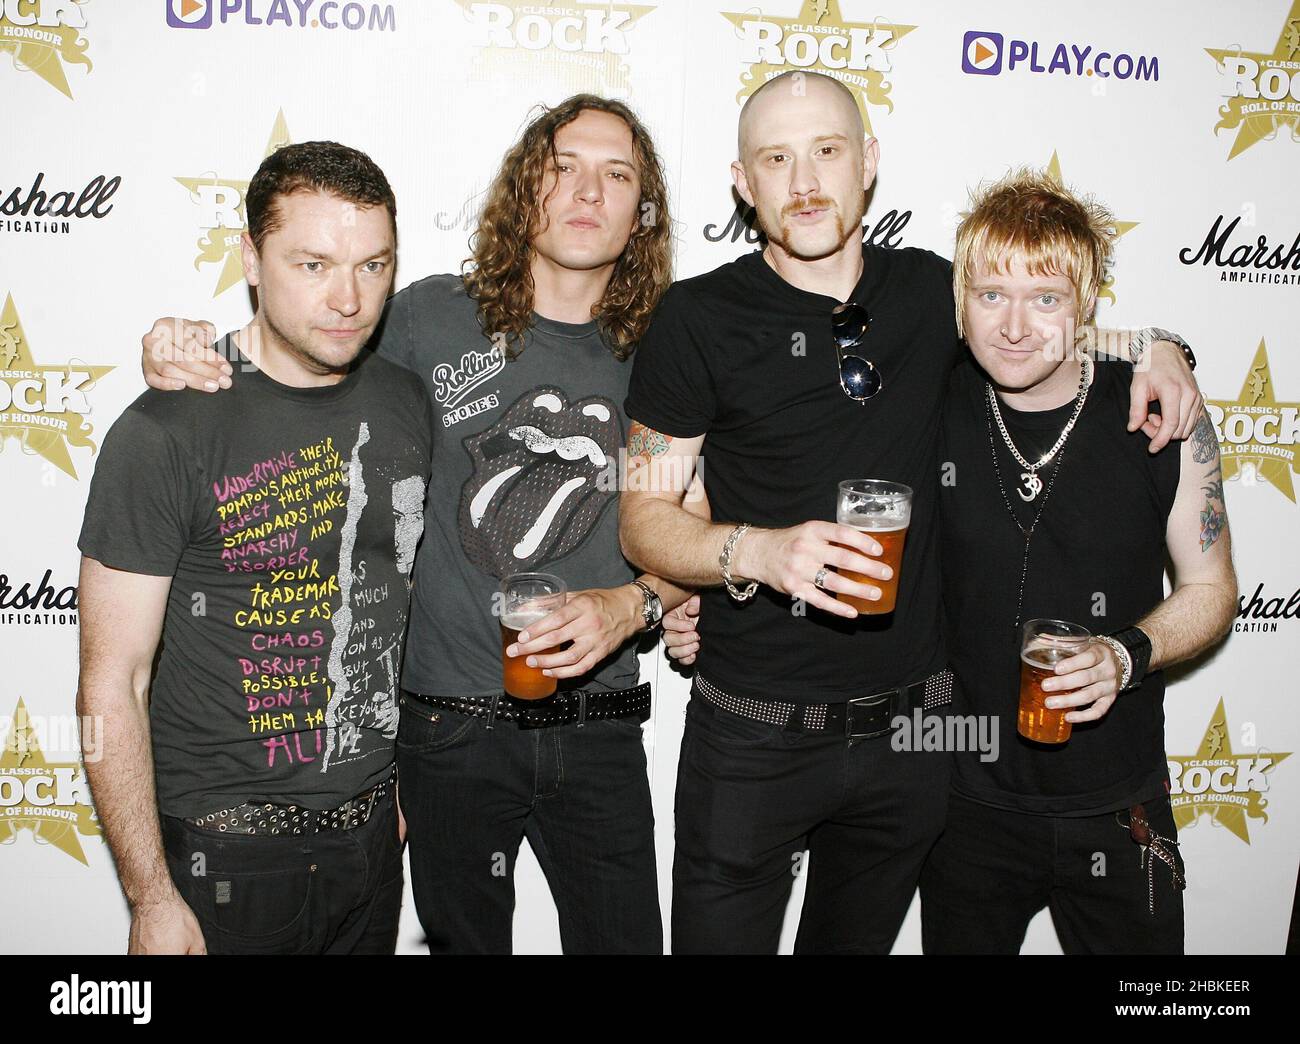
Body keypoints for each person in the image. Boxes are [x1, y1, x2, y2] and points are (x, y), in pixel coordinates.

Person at [618, 70, 1202, 954]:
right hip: (753, 738)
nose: (805, 180)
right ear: (743, 182)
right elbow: (641, 518)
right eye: (776, 158)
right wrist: (756, 553)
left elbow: (1047, 324)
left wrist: (1163, 345)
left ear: (870, 166)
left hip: (915, 740)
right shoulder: (692, 318)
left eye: (827, 152)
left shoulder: (937, 294)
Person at [137, 95, 693, 954]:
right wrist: (195, 345)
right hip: (447, 730)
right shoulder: (424, 317)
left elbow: (687, 525)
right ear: (523, 188)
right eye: (564, 167)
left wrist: (646, 601)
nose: (589, 191)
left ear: (642, 208)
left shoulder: (670, 345)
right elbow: (304, 345)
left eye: (616, 174)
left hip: (602, 720)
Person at [78, 141, 432, 955]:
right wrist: (151, 897)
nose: (348, 298)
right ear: (250, 257)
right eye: (313, 264)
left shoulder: (406, 399)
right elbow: (112, 681)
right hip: (222, 856)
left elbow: (403, 607)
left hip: (373, 846)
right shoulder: (165, 428)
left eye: (373, 266)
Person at [915, 168, 1237, 954]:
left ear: (1086, 307)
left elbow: (1213, 589)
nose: (1016, 327)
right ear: (962, 300)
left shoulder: (1162, 415)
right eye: (992, 295)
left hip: (1118, 806)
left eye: (1047, 300)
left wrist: (1125, 656)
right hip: (964, 806)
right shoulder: (932, 394)